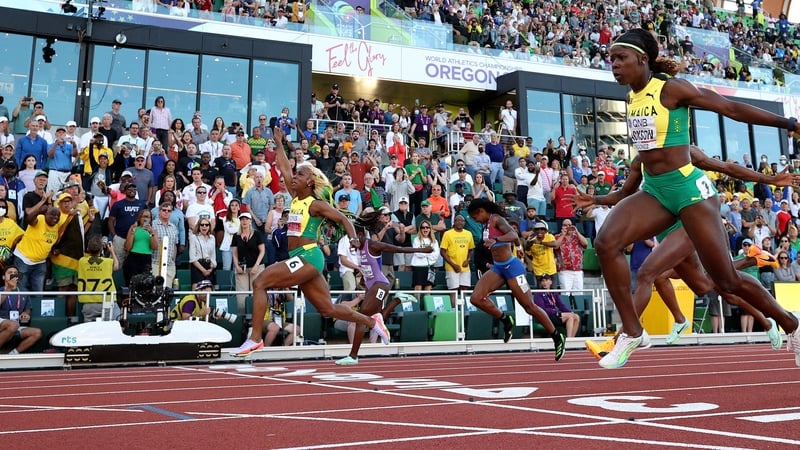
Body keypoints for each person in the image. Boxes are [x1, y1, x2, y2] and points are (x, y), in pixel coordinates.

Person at [585, 31, 800, 368]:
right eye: (610, 58)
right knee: (606, 242)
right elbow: (638, 170)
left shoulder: (672, 89)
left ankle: (791, 324)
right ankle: (632, 331)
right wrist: (598, 198)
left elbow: (729, 108)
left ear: (642, 59)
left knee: (726, 280)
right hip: (655, 191)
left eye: (619, 58)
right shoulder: (632, 97)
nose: (613, 65)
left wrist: (789, 123)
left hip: (690, 191)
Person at [232, 127, 391, 356]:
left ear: (310, 182)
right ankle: (372, 321)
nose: (293, 177)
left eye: (300, 175)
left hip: (308, 256)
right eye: (295, 175)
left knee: (260, 282)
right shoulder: (296, 198)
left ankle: (255, 339)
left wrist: (354, 239)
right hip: (300, 259)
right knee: (327, 309)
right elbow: (285, 166)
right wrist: (279, 143)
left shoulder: (316, 204)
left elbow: (343, 220)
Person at [467, 198, 565, 360]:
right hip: (498, 268)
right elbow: (509, 240)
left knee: (529, 307)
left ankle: (556, 336)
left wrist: (497, 240)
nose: (474, 220)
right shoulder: (486, 224)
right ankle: (505, 319)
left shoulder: (497, 220)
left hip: (512, 268)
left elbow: (513, 234)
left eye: (475, 217)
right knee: (476, 298)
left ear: (482, 211)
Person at [335, 209, 431, 365]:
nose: (350, 243)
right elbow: (367, 270)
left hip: (381, 285)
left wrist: (422, 250)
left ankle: (353, 356)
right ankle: (397, 300)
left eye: (351, 239)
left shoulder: (373, 245)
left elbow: (398, 249)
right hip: (371, 286)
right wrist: (363, 281)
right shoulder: (358, 249)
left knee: (362, 317)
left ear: (359, 235)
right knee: (375, 316)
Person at [77, 235, 120, 322]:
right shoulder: (107, 262)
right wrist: (112, 251)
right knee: (115, 323)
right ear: (101, 250)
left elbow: (90, 258)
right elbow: (116, 266)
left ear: (88, 249)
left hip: (88, 303)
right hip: (106, 301)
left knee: (90, 330)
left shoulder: (82, 261)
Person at [0, 266, 42, 354]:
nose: (13, 274)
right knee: (13, 325)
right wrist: (8, 289)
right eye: (10, 273)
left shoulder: (23, 291)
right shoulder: (1, 290)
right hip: (2, 322)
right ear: (3, 277)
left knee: (37, 333)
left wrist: (26, 313)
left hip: (15, 324)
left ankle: (12, 354)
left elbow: (28, 308)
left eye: (15, 273)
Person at [440, 215, 474, 294]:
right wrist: (453, 265)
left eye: (462, 221)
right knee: (453, 290)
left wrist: (468, 260)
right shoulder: (447, 234)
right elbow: (442, 252)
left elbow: (471, 249)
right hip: (452, 267)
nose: (460, 222)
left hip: (465, 267)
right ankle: (454, 307)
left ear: (464, 223)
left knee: (464, 288)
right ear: (454, 222)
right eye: (457, 220)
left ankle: (462, 306)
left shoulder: (468, 234)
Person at [123, 209, 157, 286]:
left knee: (144, 285)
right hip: (133, 257)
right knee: (131, 283)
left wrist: (151, 233)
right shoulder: (134, 228)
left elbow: (154, 247)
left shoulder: (153, 231)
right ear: (139, 218)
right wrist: (132, 232)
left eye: (149, 217)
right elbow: (127, 247)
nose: (146, 219)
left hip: (146, 259)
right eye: (144, 216)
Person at [411, 219, 439, 293]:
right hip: (419, 267)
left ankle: (427, 304)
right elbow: (417, 253)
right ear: (420, 229)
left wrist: (423, 251)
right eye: (423, 227)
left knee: (428, 289)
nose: (425, 229)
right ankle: (417, 304)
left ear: (430, 229)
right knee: (418, 288)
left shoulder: (434, 241)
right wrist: (429, 252)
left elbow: (435, 255)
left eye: (427, 227)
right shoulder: (416, 240)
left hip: (430, 267)